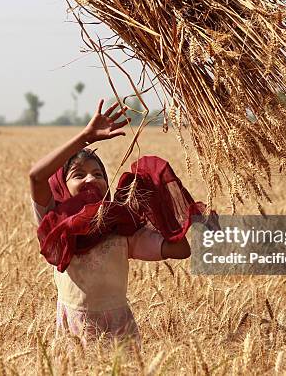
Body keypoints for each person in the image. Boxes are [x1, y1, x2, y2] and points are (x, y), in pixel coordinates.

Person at [28, 99, 208, 347]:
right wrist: (84, 138)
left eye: (99, 174)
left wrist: (159, 203)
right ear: (61, 187)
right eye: (78, 174)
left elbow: (181, 250)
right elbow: (36, 177)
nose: (90, 178)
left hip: (119, 334)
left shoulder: (122, 227)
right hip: (74, 335)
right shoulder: (55, 223)